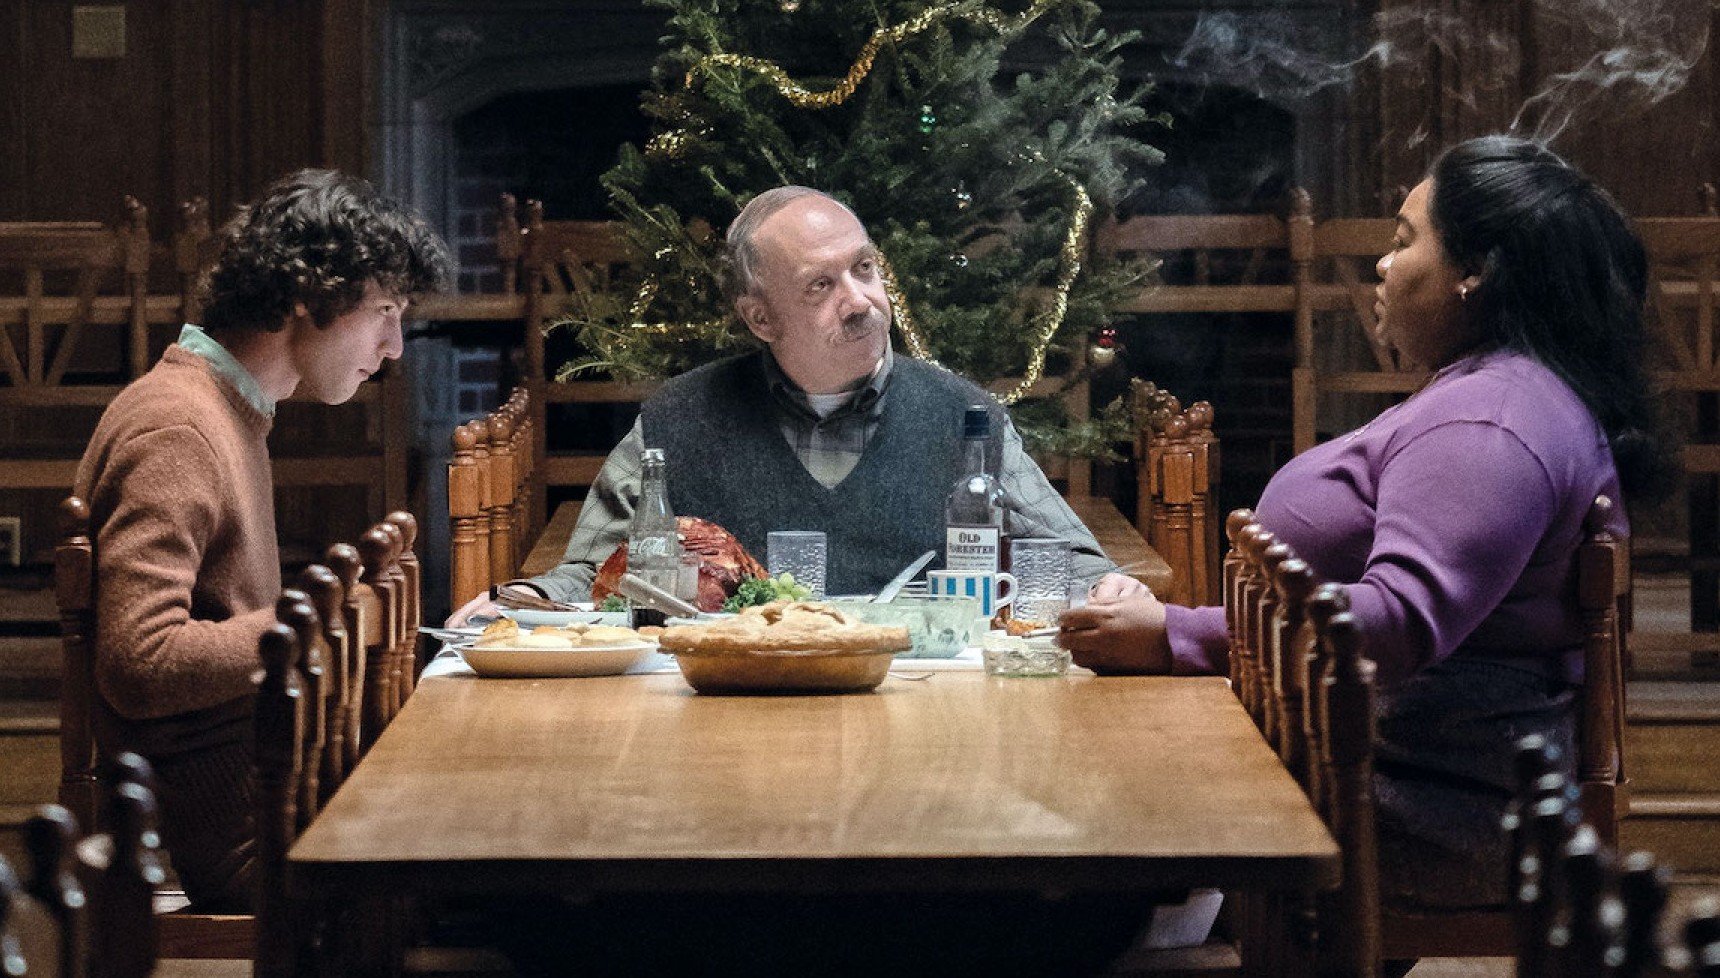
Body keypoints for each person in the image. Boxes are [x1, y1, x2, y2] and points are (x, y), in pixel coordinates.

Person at [1057, 136, 1671, 909]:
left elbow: (1393, 624)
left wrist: (1176, 633)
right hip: (1381, 765)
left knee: (1065, 809)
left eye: (1405, 240)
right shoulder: (1493, 394)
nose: (1384, 265)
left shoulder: (1491, 420)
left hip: (1420, 805)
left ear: (1474, 273)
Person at [451, 186, 1144, 622]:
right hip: (728, 720)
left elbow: (1073, 562)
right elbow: (593, 573)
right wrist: (531, 600)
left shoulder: (965, 416)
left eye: (864, 269)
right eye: (821, 286)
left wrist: (1113, 592)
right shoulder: (680, 418)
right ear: (760, 318)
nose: (862, 301)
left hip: (926, 716)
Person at [74, 170, 450, 911]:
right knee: (515, 869)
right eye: (383, 311)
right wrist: (320, 623)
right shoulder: (178, 427)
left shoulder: (226, 411)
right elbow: (138, 660)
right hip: (238, 841)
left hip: (269, 790)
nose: (395, 346)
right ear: (309, 297)